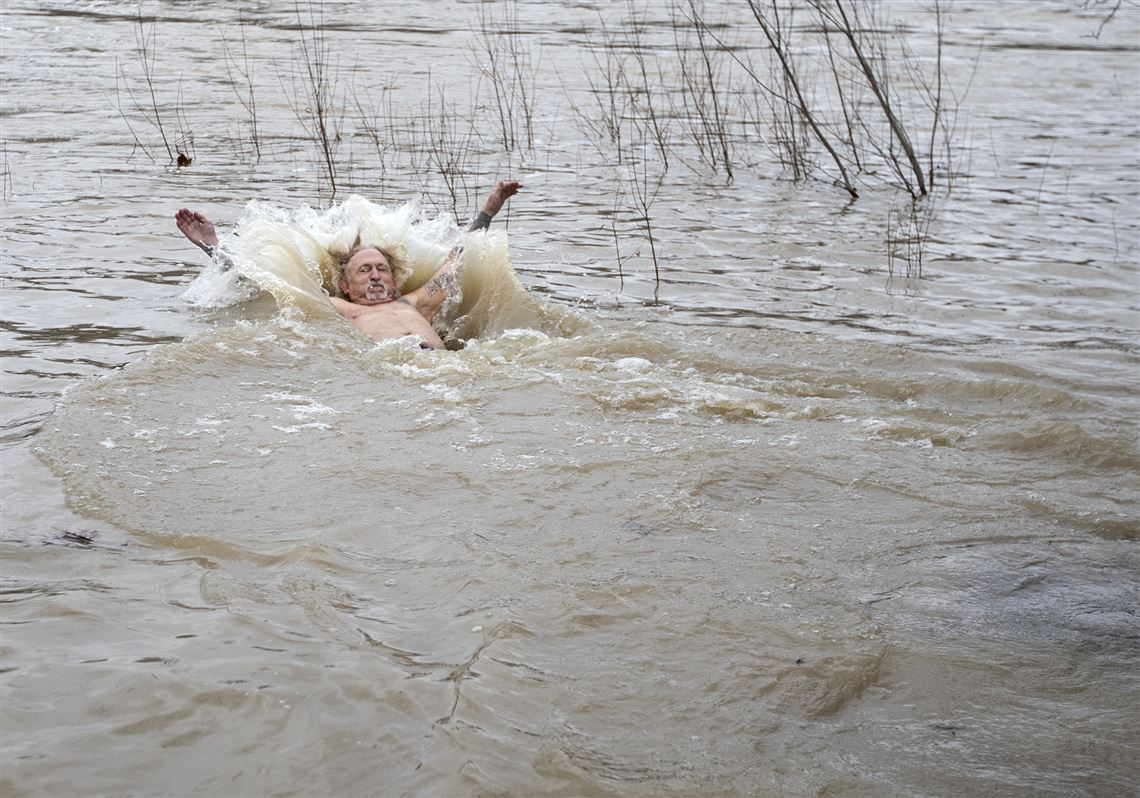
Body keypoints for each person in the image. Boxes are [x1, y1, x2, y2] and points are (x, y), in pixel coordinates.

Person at [174, 180, 522, 350]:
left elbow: (457, 260)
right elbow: (263, 283)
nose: (374, 275)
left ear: (395, 281)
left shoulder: (416, 302)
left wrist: (489, 209)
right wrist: (212, 247)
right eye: (364, 270)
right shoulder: (338, 308)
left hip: (443, 371)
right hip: (394, 370)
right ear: (345, 286)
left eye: (381, 269)